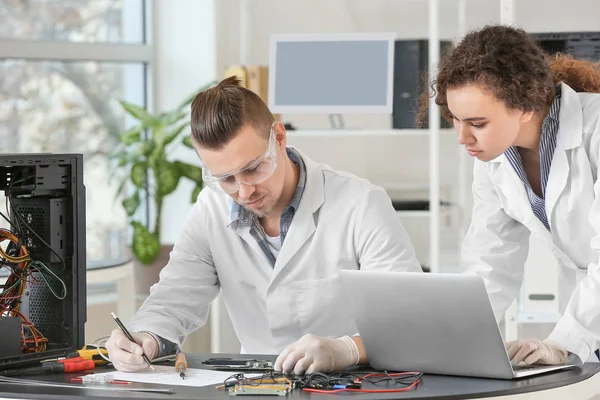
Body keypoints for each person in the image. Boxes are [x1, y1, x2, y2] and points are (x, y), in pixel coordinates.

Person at [276, 24, 600, 374]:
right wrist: (448, 341)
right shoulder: (496, 156)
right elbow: (490, 267)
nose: (463, 137)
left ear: (525, 106)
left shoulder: (593, 132)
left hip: (584, 323)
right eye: (455, 120)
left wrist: (562, 342)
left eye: (477, 122)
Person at [105, 76, 421, 372]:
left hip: (352, 384)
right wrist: (145, 335)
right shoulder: (211, 209)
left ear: (279, 138)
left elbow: (407, 319)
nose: (244, 191)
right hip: (258, 384)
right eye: (225, 178)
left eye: (254, 168)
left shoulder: (360, 203)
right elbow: (174, 299)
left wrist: (346, 350)